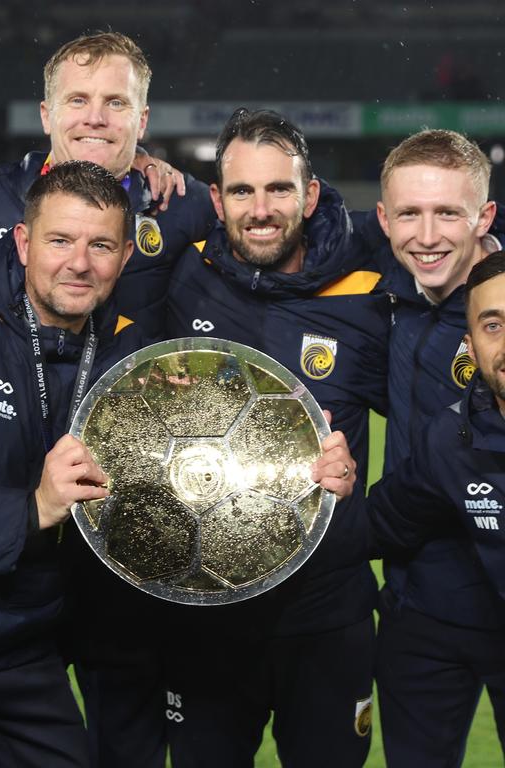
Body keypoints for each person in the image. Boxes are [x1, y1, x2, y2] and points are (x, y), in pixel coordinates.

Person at [0, 160, 355, 768]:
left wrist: (302, 468)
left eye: (100, 245)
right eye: (59, 241)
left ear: (125, 256)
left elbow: (190, 473)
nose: (79, 263)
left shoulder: (128, 352)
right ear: (23, 243)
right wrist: (34, 509)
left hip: (22, 644)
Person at [81, 108, 386, 768]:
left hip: (326, 615)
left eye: (280, 189)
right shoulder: (185, 275)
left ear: (309, 193)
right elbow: (125, 378)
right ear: (216, 201)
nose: (262, 210)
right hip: (207, 614)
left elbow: (430, 413)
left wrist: (360, 491)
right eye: (242, 191)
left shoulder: (366, 290)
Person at [371, 129, 504, 767]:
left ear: (485, 216)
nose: (427, 236)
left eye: (448, 212)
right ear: (383, 219)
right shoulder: (388, 293)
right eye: (410, 214)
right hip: (419, 612)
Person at [0, 31, 215, 339]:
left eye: (115, 102)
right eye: (78, 100)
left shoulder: (184, 204)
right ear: (46, 116)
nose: (95, 118)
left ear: (142, 121)